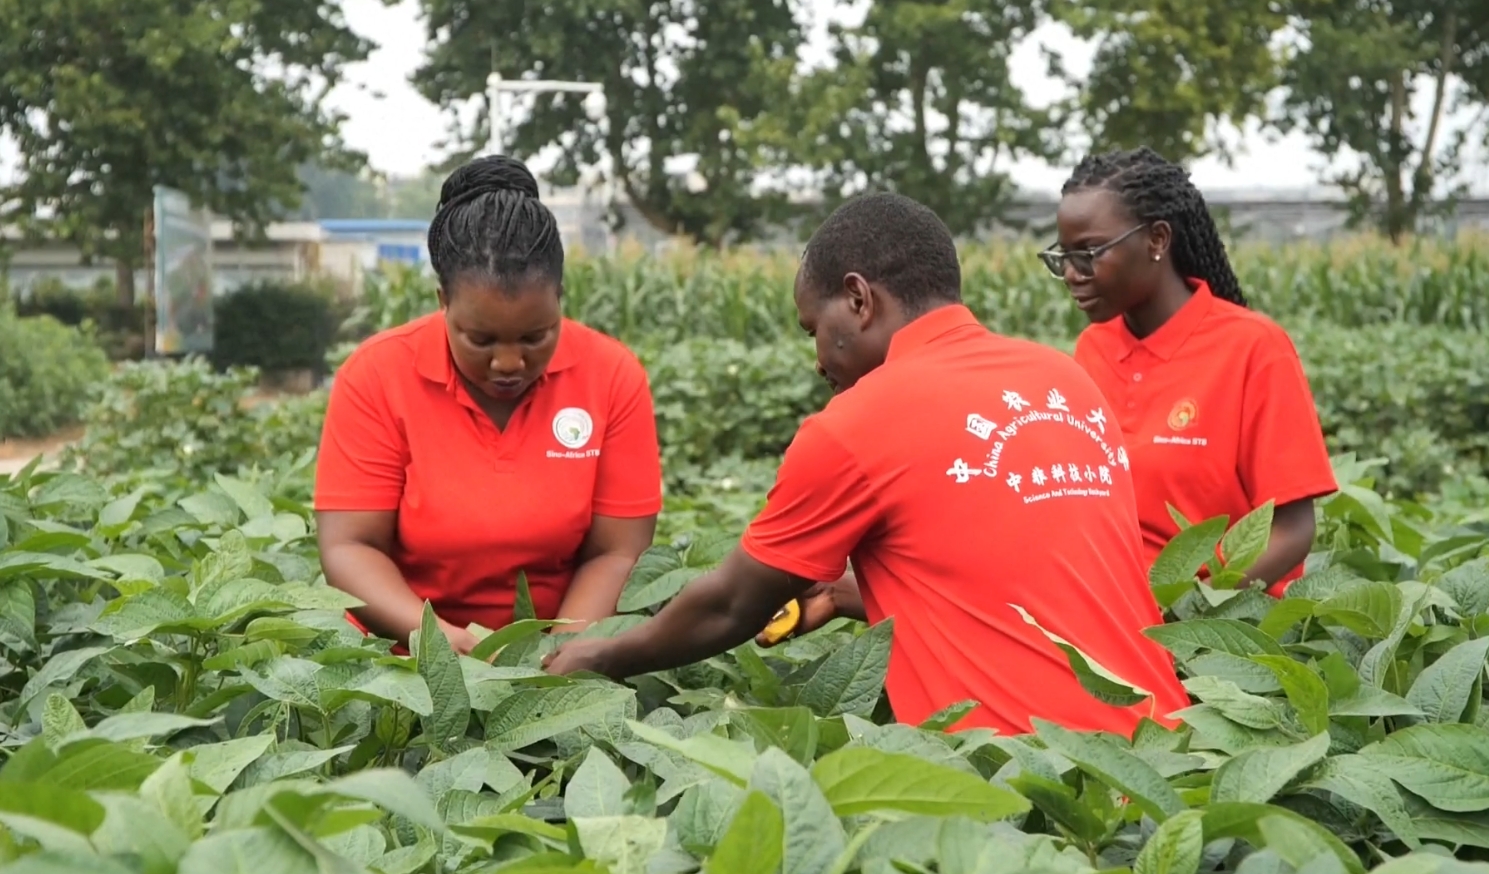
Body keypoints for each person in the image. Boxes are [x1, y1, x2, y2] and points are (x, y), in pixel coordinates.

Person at [544, 191, 1190, 737]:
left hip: (1020, 771)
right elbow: (1017, 565)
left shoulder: (856, 422)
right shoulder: (1062, 379)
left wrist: (599, 658)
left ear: (857, 299)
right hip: (1161, 748)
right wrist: (850, 594)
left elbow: (730, 605)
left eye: (812, 329)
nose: (819, 360)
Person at [313, 154, 663, 655]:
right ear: (443, 303)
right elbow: (350, 547)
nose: (508, 362)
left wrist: (556, 657)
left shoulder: (610, 376)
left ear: (560, 297)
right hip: (402, 665)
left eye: (534, 336)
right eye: (480, 339)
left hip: (564, 662)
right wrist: (441, 646)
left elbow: (617, 551)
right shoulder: (377, 376)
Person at [1043, 147, 1338, 597]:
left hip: (1219, 621)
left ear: (1157, 240)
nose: (1070, 273)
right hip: (1110, 609)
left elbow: (1292, 531)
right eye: (1062, 256)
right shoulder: (1092, 348)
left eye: (1088, 252)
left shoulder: (1253, 349)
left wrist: (1187, 612)